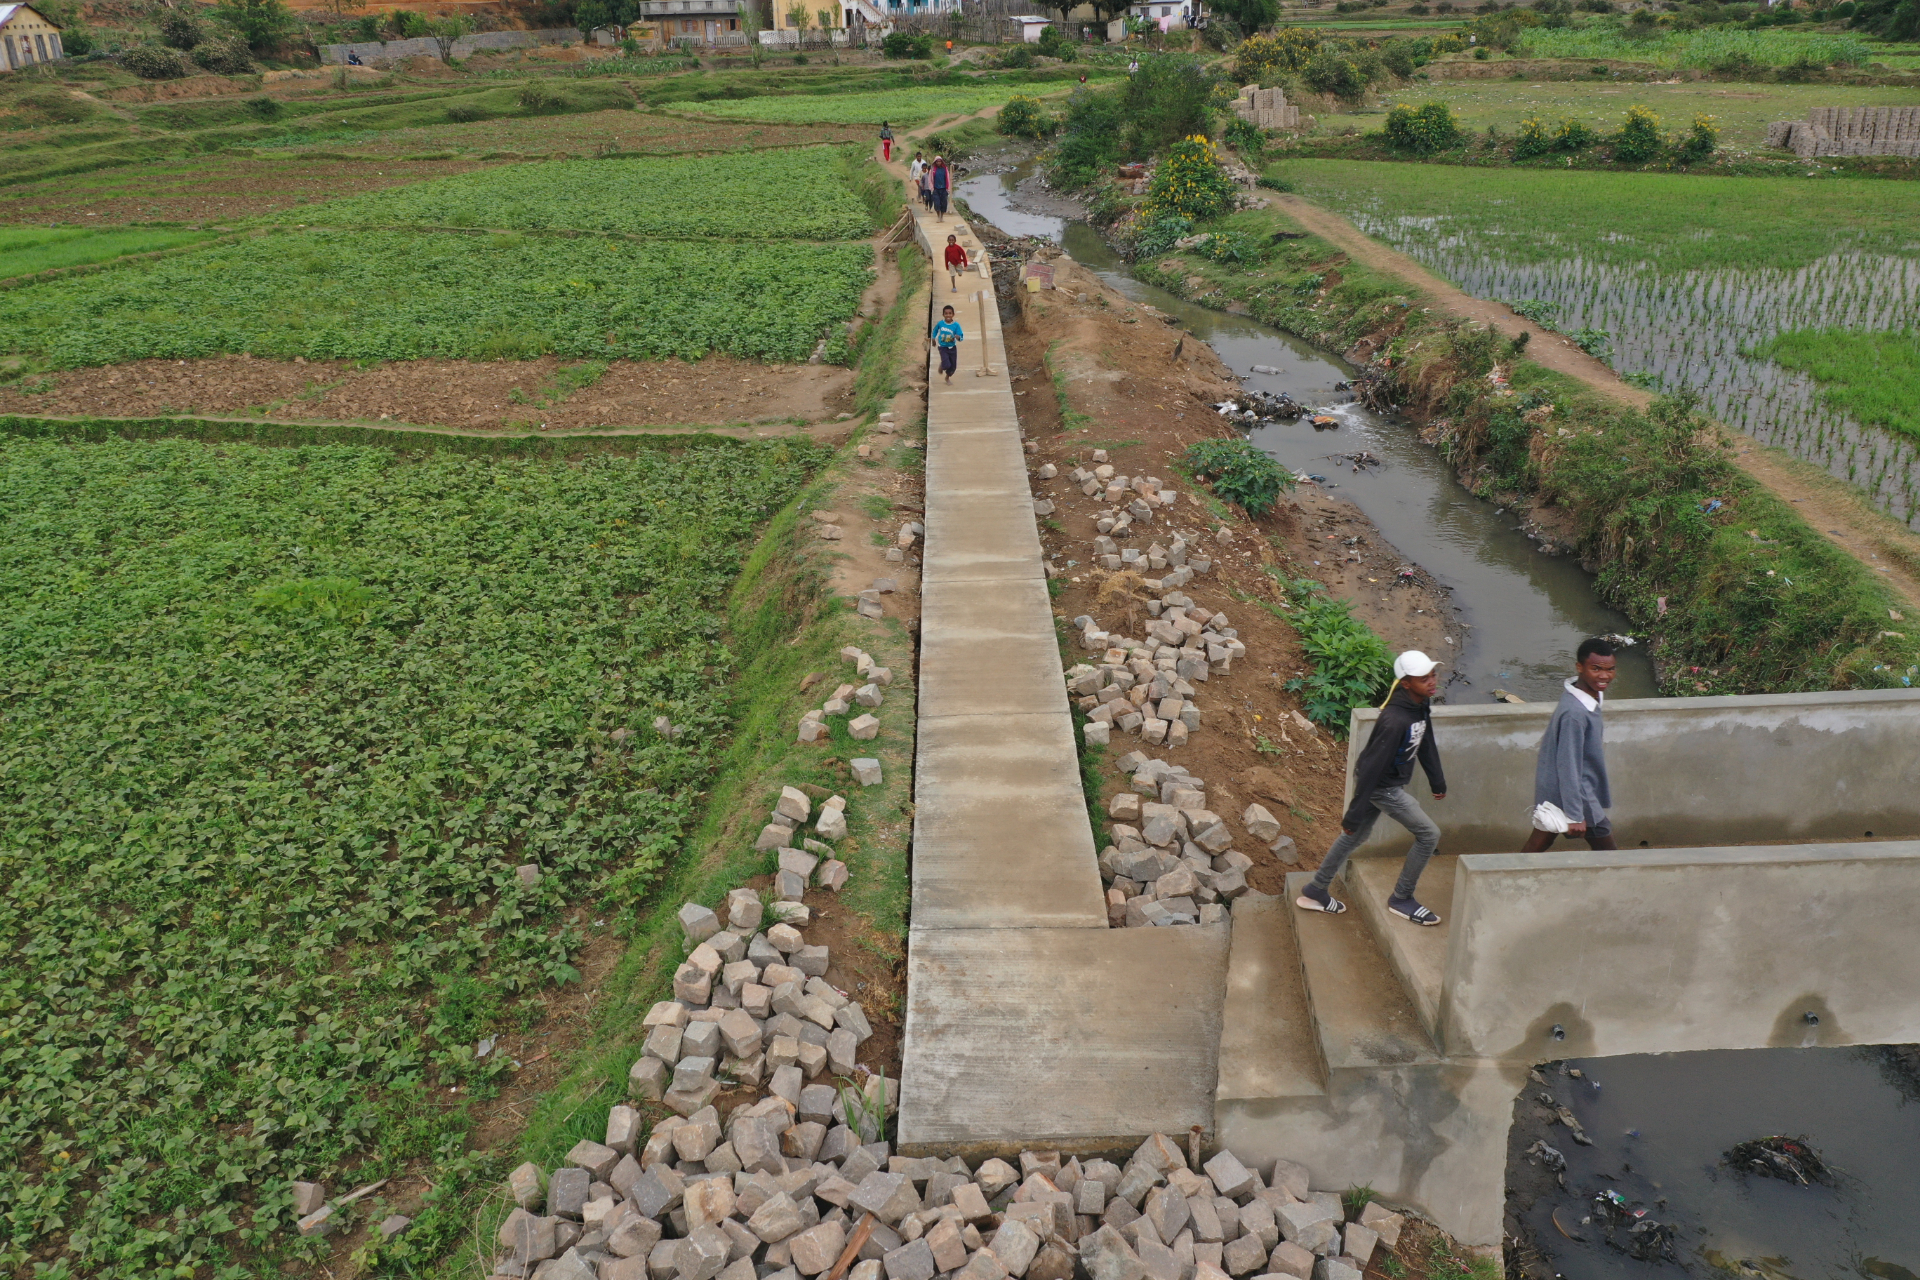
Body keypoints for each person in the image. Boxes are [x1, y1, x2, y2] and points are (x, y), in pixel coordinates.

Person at [1296, 651, 1448, 925]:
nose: (1431, 681)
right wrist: (1353, 814)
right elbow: (1369, 769)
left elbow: (1426, 741)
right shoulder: (1394, 720)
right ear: (1406, 683)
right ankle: (1402, 898)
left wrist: (1437, 780)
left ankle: (1315, 890)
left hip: (1384, 782)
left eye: (1432, 675)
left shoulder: (1419, 706)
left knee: (1354, 837)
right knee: (1428, 835)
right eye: (1423, 678)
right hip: (1382, 786)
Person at [1521, 638, 1619, 853]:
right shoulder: (1575, 714)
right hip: (1577, 795)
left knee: (1540, 842)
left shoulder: (1587, 695)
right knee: (1608, 850)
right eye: (1596, 669)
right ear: (1579, 667)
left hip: (1558, 790)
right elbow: (1568, 764)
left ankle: (1504, 880)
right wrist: (1575, 814)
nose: (1604, 676)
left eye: (1610, 669)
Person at [931, 304, 963, 384]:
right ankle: (942, 366)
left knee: (953, 366)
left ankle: (947, 377)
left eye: (950, 313)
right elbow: (935, 331)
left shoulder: (956, 325)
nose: (948, 315)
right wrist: (933, 339)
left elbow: (960, 335)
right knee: (946, 365)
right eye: (946, 313)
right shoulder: (940, 324)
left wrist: (957, 337)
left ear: (953, 315)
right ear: (943, 315)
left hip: (952, 347)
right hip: (943, 347)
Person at [930, 156, 950, 221]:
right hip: (936, 189)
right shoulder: (933, 170)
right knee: (937, 203)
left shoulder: (945, 169)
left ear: (941, 162)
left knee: (944, 203)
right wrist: (931, 188)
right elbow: (930, 179)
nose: (938, 163)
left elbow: (948, 179)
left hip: (944, 189)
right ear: (935, 162)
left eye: (940, 161)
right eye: (937, 162)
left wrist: (948, 188)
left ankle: (942, 216)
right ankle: (938, 216)